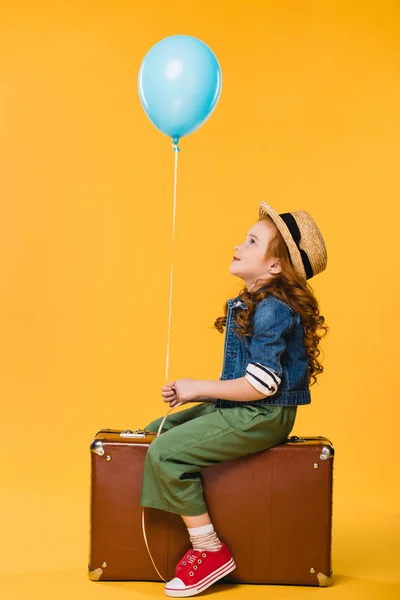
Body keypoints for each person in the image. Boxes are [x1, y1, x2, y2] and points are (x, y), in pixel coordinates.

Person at [140, 200, 329, 597]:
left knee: (166, 453)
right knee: (158, 431)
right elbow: (246, 382)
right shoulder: (253, 303)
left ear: (275, 267)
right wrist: (189, 395)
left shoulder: (274, 309)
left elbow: (261, 386)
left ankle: (208, 550)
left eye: (252, 241)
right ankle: (195, 519)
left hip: (263, 414)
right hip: (251, 409)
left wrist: (197, 388)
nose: (238, 246)